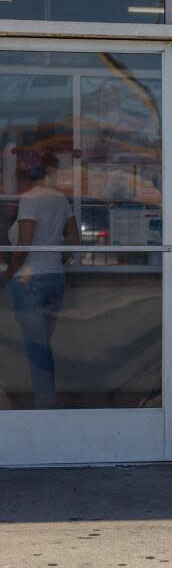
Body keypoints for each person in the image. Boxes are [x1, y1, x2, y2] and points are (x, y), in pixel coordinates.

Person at [0, 151, 79, 408]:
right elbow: (74, 239)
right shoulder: (60, 199)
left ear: (25, 177)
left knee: (36, 347)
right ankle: (46, 399)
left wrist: (9, 275)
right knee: (42, 344)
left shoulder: (30, 201)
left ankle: (45, 404)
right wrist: (58, 259)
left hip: (29, 281)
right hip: (55, 278)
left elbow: (23, 245)